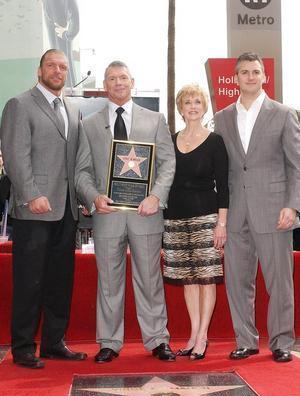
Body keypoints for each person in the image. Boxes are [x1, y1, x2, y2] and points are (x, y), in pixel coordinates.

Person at [75, 60, 176, 363]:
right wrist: (94, 198)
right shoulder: (88, 125)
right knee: (108, 281)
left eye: (123, 78)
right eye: (111, 78)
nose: (117, 83)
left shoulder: (155, 120)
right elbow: (81, 171)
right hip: (107, 216)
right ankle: (109, 342)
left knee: (149, 279)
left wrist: (156, 197)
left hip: (146, 214)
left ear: (133, 82)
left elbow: (168, 163)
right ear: (104, 86)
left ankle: (158, 340)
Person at [0, 49, 87, 368]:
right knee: (29, 280)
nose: (57, 71)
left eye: (63, 67)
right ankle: (23, 347)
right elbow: (13, 154)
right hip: (34, 209)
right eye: (51, 65)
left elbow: (77, 162)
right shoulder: (19, 104)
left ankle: (53, 342)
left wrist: (85, 197)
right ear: (39, 71)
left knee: (59, 281)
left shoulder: (72, 108)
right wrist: (30, 193)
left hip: (67, 211)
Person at [214, 52, 300, 363]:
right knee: (237, 280)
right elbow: (221, 170)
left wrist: (292, 205)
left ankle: (280, 341)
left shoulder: (284, 114)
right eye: (244, 72)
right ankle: (245, 340)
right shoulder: (221, 117)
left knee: (280, 281)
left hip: (275, 210)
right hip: (236, 212)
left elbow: (296, 165)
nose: (250, 76)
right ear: (235, 78)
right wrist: (219, 218)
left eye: (256, 72)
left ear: (265, 77)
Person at [163, 84, 229, 360]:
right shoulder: (170, 139)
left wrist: (221, 224)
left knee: (206, 280)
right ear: (180, 108)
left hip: (206, 218)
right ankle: (192, 333)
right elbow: (164, 182)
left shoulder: (215, 142)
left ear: (204, 107)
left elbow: (224, 187)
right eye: (187, 102)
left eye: (197, 102)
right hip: (175, 220)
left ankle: (203, 336)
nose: (192, 106)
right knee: (188, 279)